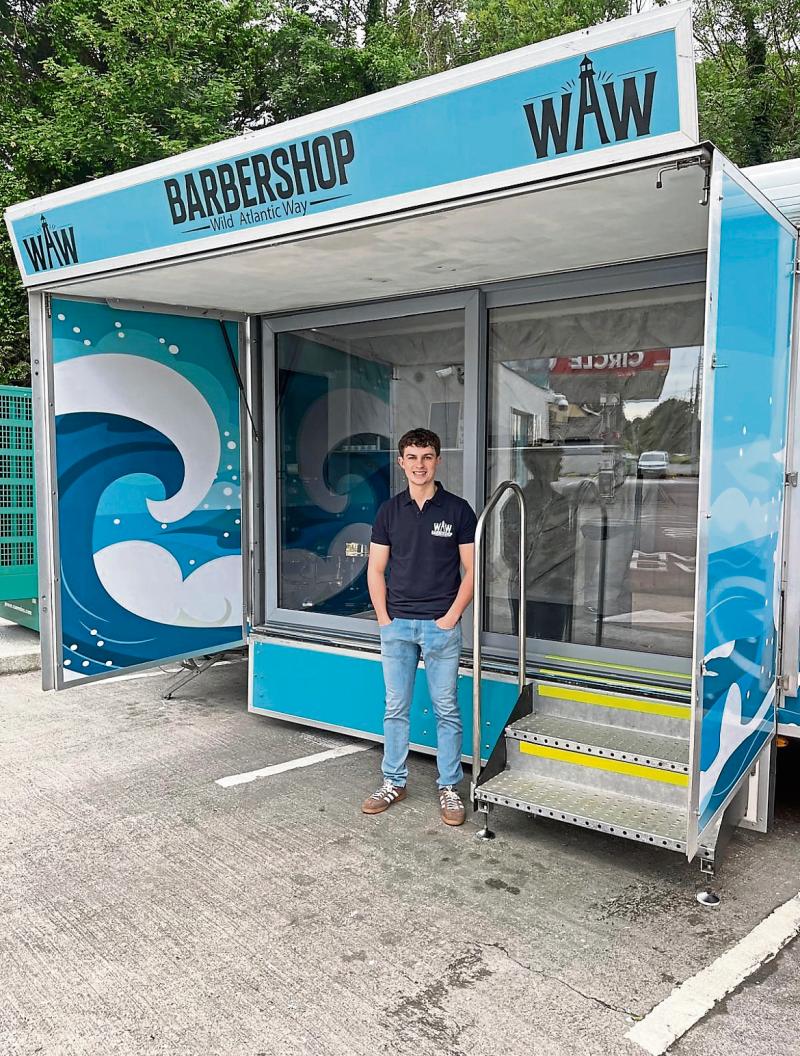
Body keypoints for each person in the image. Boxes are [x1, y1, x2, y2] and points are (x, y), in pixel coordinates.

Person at [362, 427, 477, 826]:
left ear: (438, 460)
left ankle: (449, 787)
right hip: (397, 625)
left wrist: (451, 617)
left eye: (426, 457)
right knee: (396, 708)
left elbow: (473, 572)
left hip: (440, 626)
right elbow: (375, 570)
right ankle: (394, 781)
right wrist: (383, 619)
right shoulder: (389, 511)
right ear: (401, 462)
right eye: (411, 457)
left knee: (447, 708)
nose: (419, 465)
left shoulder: (458, 510)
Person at [501, 446, 574, 641]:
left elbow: (567, 548)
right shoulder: (518, 503)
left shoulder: (561, 502)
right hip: (531, 590)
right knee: (528, 644)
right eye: (556, 460)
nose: (561, 464)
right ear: (540, 465)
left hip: (555, 590)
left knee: (552, 646)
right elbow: (511, 553)